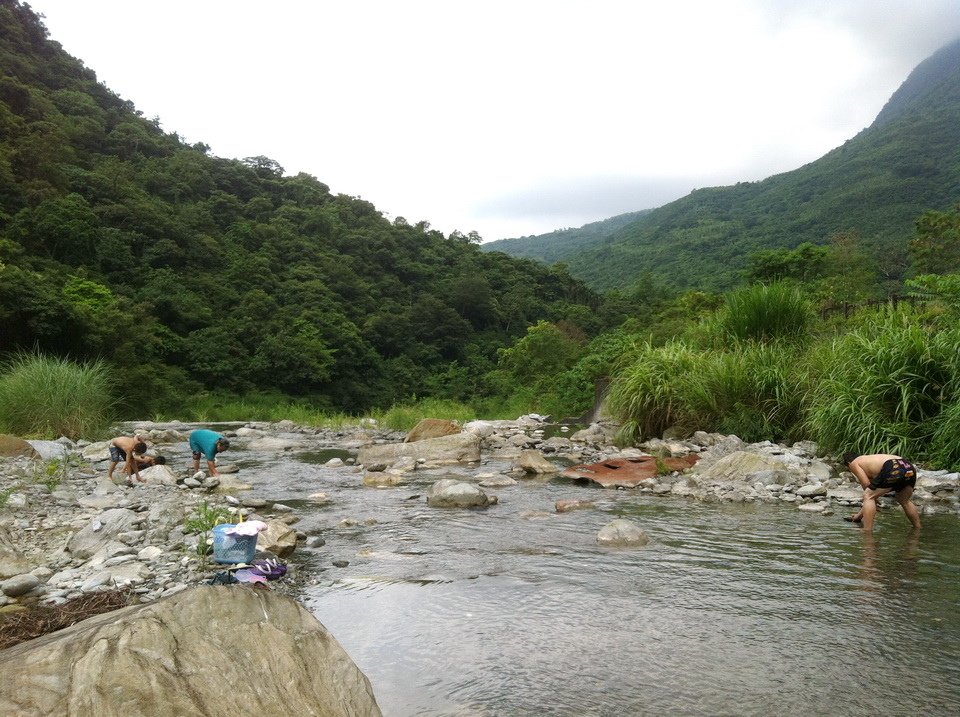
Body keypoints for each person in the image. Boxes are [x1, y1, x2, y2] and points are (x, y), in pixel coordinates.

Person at [842, 453, 921, 531]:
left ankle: (867, 531)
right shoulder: (869, 460)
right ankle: (918, 528)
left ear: (848, 463)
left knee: (868, 496)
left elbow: (866, 485)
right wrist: (859, 516)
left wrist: (873, 499)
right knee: (904, 500)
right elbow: (873, 490)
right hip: (908, 466)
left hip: (893, 466)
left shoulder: (854, 463)